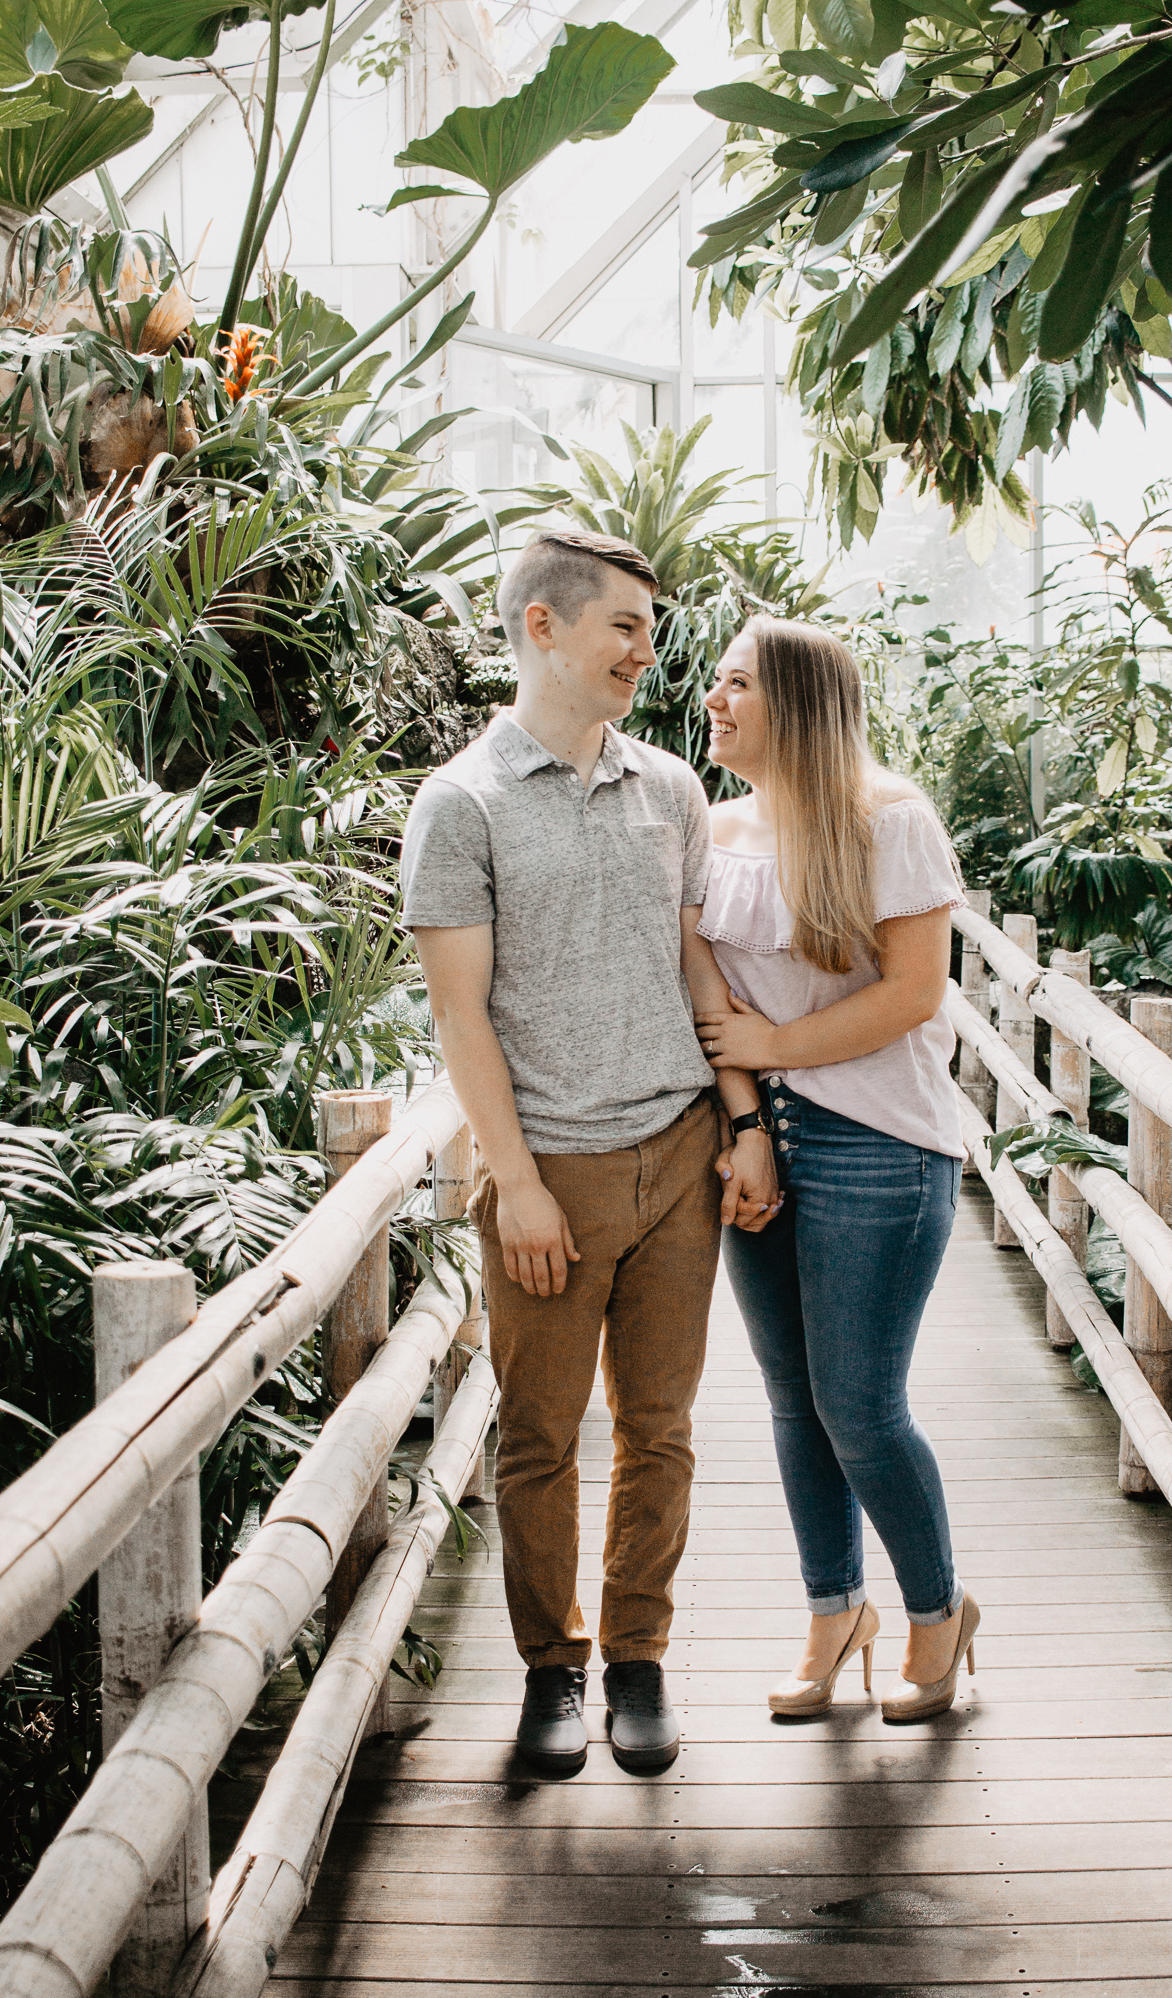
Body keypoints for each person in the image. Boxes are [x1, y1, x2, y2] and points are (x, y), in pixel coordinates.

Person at [400, 528, 778, 1776]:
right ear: (542, 629)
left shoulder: (672, 788)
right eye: (623, 623)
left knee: (661, 1425)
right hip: (546, 1171)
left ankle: (640, 1660)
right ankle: (551, 1669)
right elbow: (461, 1013)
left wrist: (742, 1121)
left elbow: (695, 964)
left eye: (649, 628)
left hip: (678, 1155)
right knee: (541, 1435)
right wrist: (512, 1181)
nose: (645, 649)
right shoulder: (461, 804)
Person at [690, 614, 980, 1723]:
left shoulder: (890, 820)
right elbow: (701, 981)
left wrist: (769, 1049)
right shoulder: (711, 830)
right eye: (717, 682)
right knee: (792, 1401)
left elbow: (912, 992)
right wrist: (748, 1116)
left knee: (858, 1399)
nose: (714, 700)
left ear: (800, 705)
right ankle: (831, 1610)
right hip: (761, 1130)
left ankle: (938, 1608)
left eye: (737, 685)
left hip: (882, 1140)